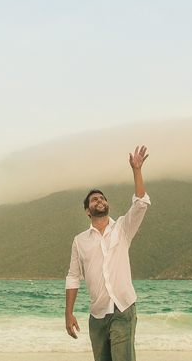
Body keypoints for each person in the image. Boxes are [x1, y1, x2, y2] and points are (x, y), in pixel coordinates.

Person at [64, 146, 150, 361]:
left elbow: (140, 204)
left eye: (102, 198)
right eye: (94, 200)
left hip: (123, 309)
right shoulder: (80, 241)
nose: (100, 201)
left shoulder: (122, 229)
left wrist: (136, 170)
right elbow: (73, 277)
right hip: (97, 314)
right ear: (87, 210)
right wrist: (69, 313)